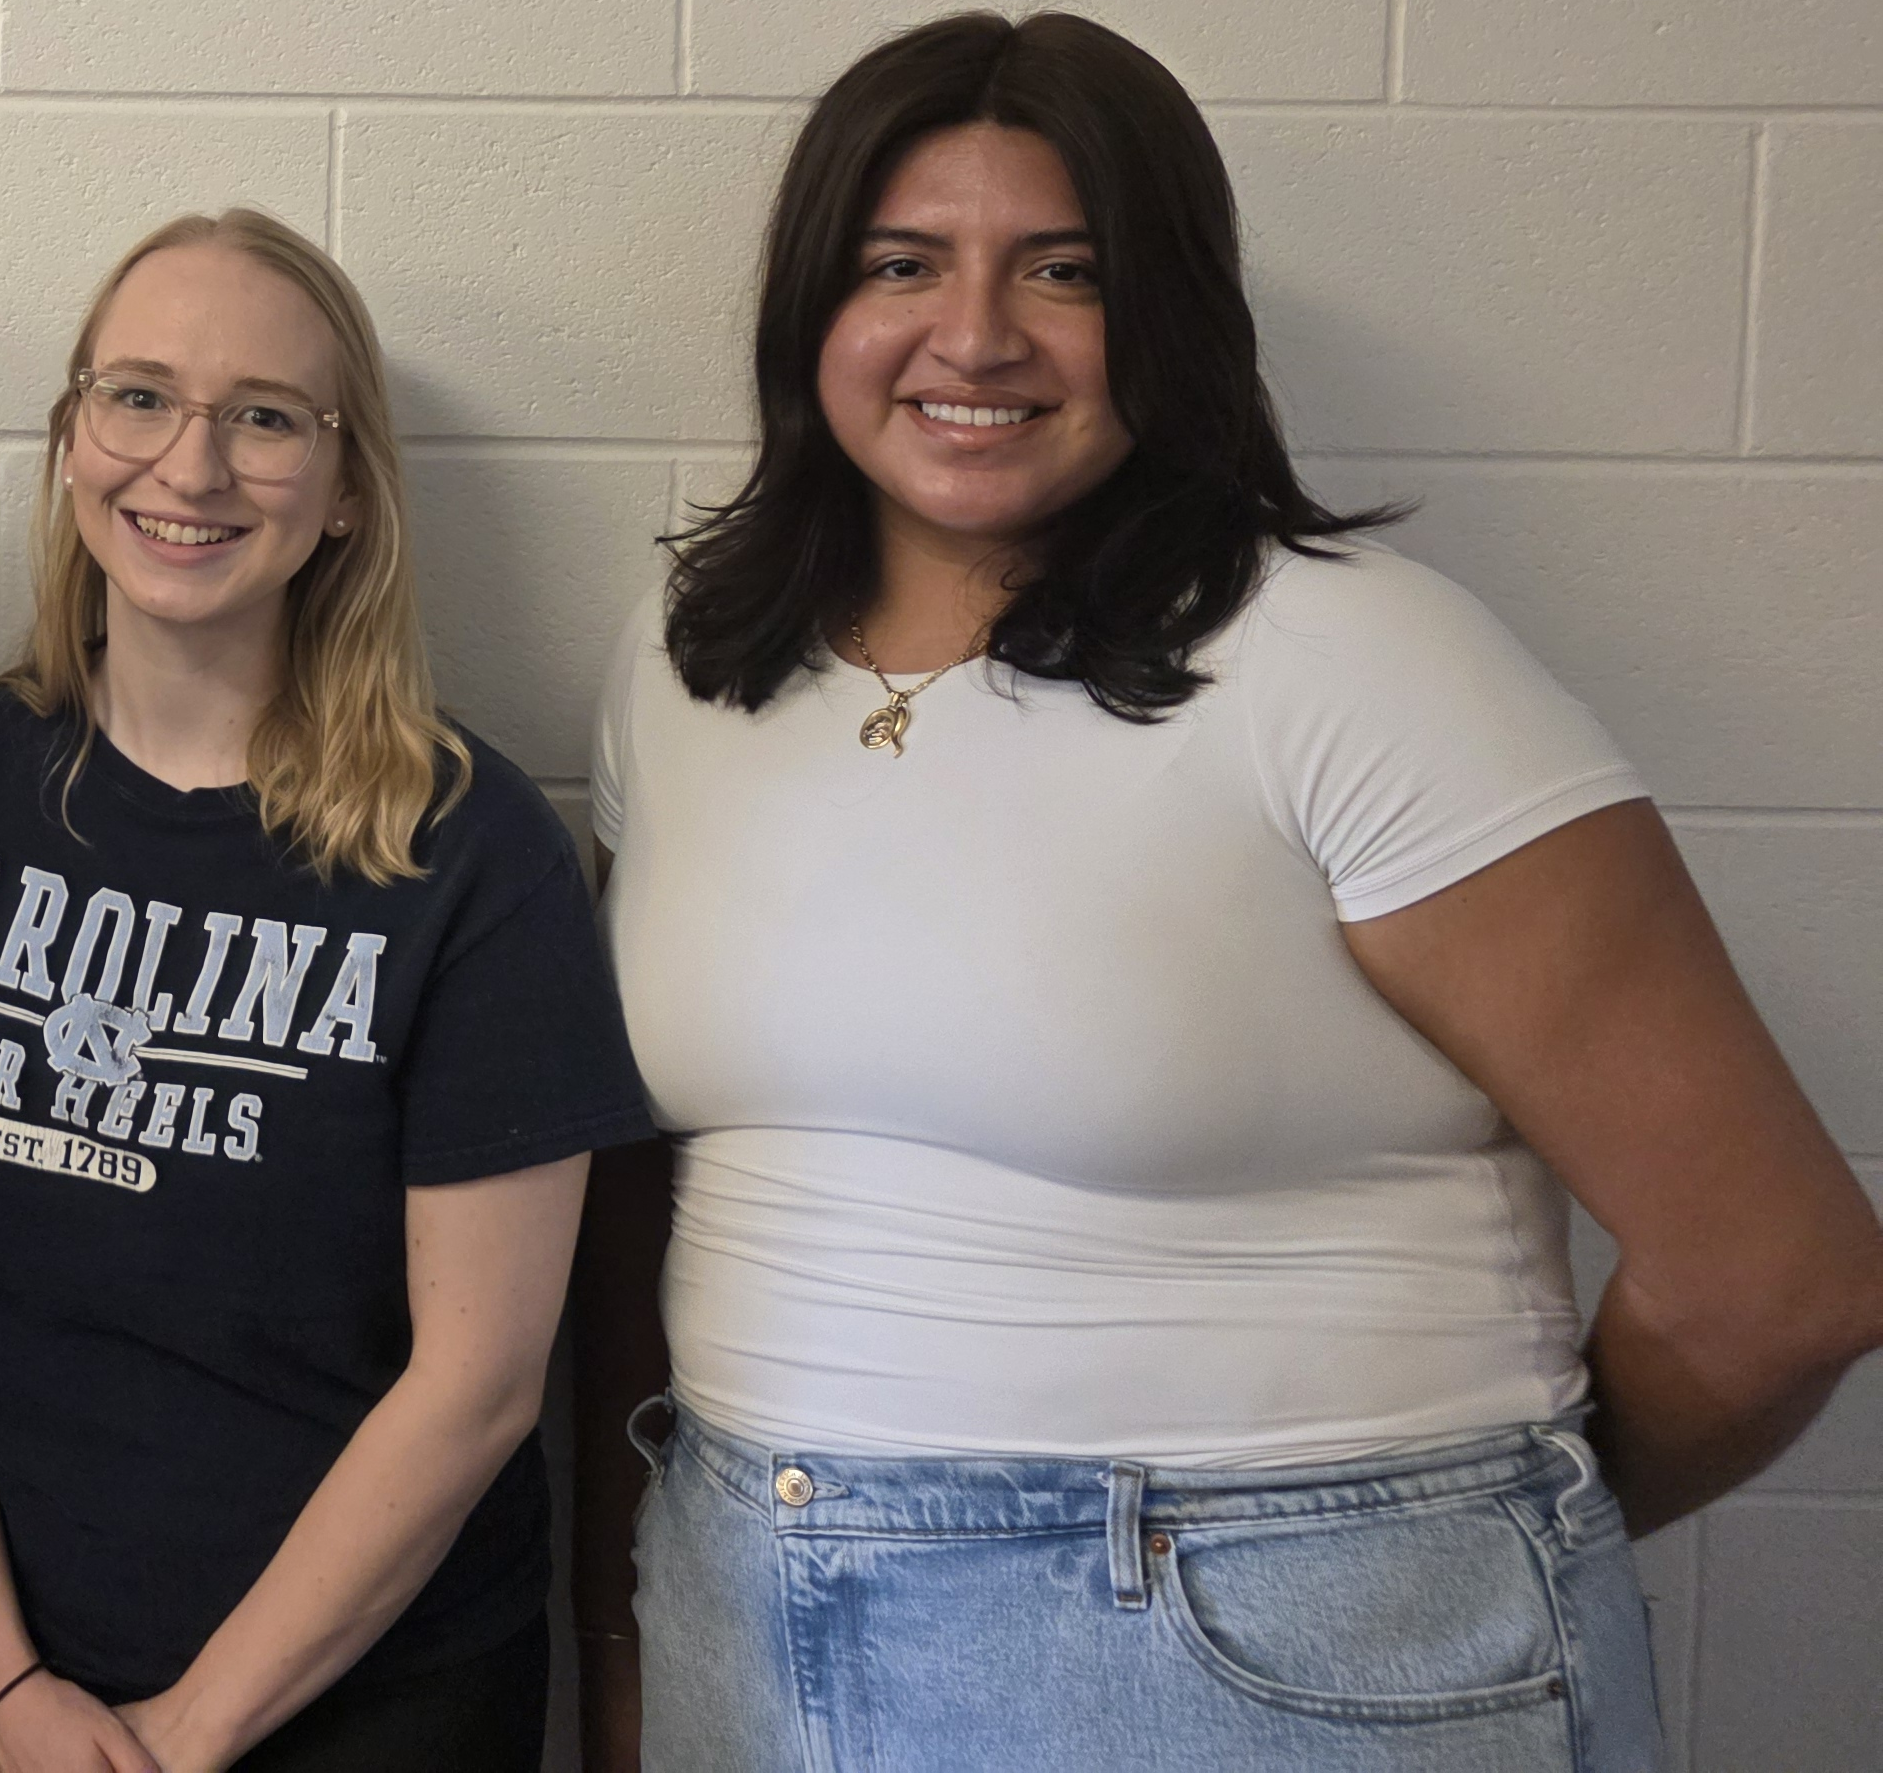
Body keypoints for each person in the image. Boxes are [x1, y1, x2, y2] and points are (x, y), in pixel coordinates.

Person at [569, 14, 1883, 1772]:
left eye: (1067, 271)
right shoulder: (686, 668)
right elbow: (630, 1186)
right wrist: (632, 1618)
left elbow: (1778, 1272)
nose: (978, 334)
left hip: (1262, 1644)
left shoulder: (1349, 661)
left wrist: (1433, 1548)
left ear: (1173, 316)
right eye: (902, 264)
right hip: (750, 1607)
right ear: (813, 306)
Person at [0, 207, 658, 1773]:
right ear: (72, 438)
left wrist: (189, 1735)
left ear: (348, 491)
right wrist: (4, 1685)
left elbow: (481, 1385)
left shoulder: (470, 854)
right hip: (29, 1694)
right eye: (139, 396)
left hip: (382, 1697)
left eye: (266, 418)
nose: (192, 465)